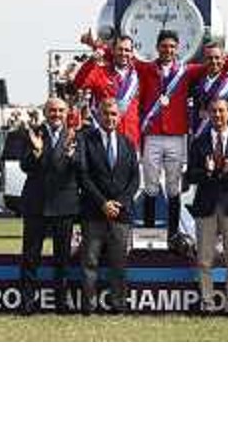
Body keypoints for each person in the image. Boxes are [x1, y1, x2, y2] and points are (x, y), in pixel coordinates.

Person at [133, 30, 228, 250]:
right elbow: (124, 58)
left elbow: (214, 65)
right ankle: (148, 237)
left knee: (174, 187)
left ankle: (173, 235)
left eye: (172, 47)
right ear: (157, 47)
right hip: (153, 135)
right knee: (150, 186)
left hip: (176, 135)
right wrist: (98, 47)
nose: (168, 50)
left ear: (178, 49)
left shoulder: (186, 71)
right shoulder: (146, 68)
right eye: (164, 46)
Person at [187, 99, 228, 315]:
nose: (217, 115)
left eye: (221, 111)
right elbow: (190, 176)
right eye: (213, 111)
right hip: (206, 206)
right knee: (204, 260)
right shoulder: (198, 142)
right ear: (208, 114)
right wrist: (206, 171)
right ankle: (207, 303)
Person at [77, 99, 140, 315]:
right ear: (98, 115)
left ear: (119, 116)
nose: (110, 118)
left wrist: (119, 203)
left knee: (119, 263)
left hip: (120, 215)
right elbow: (83, 176)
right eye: (106, 114)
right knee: (90, 263)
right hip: (94, 212)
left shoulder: (128, 143)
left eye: (113, 114)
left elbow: (135, 179)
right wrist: (103, 202)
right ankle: (88, 306)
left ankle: (118, 305)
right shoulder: (86, 140)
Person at [19, 97, 79, 315]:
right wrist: (36, 152)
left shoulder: (74, 135)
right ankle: (27, 303)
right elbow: (24, 165)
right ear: (45, 112)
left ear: (66, 113)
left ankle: (61, 304)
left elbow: (80, 167)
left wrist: (73, 157)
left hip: (64, 205)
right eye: (52, 110)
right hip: (37, 204)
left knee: (62, 259)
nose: (56, 114)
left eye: (60, 110)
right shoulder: (32, 133)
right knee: (30, 257)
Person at [72, 34, 141, 148]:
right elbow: (78, 83)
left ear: (132, 53)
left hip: (131, 138)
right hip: (103, 138)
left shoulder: (139, 73)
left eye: (127, 50)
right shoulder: (99, 72)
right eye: (120, 49)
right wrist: (91, 60)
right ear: (112, 50)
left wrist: (96, 45)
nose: (123, 53)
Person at [191, 43, 228, 139]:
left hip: (223, 141)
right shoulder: (196, 83)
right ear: (204, 60)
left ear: (224, 60)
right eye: (209, 58)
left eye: (217, 58)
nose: (214, 61)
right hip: (200, 139)